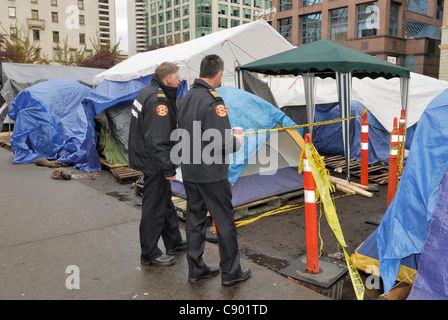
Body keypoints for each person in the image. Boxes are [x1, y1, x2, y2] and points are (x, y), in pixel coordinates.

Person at [177, 54, 251, 285]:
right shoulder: (214, 101)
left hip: (190, 170)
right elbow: (222, 142)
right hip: (211, 173)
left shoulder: (185, 98)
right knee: (224, 221)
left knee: (195, 220)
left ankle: (196, 268)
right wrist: (238, 141)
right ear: (219, 74)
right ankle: (231, 272)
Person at [128, 62, 186, 266]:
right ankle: (149, 252)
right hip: (154, 162)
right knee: (153, 208)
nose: (179, 81)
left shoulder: (146, 92)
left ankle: (174, 241)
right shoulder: (158, 100)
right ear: (168, 79)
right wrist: (167, 167)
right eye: (178, 78)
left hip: (146, 157)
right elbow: (157, 138)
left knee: (164, 201)